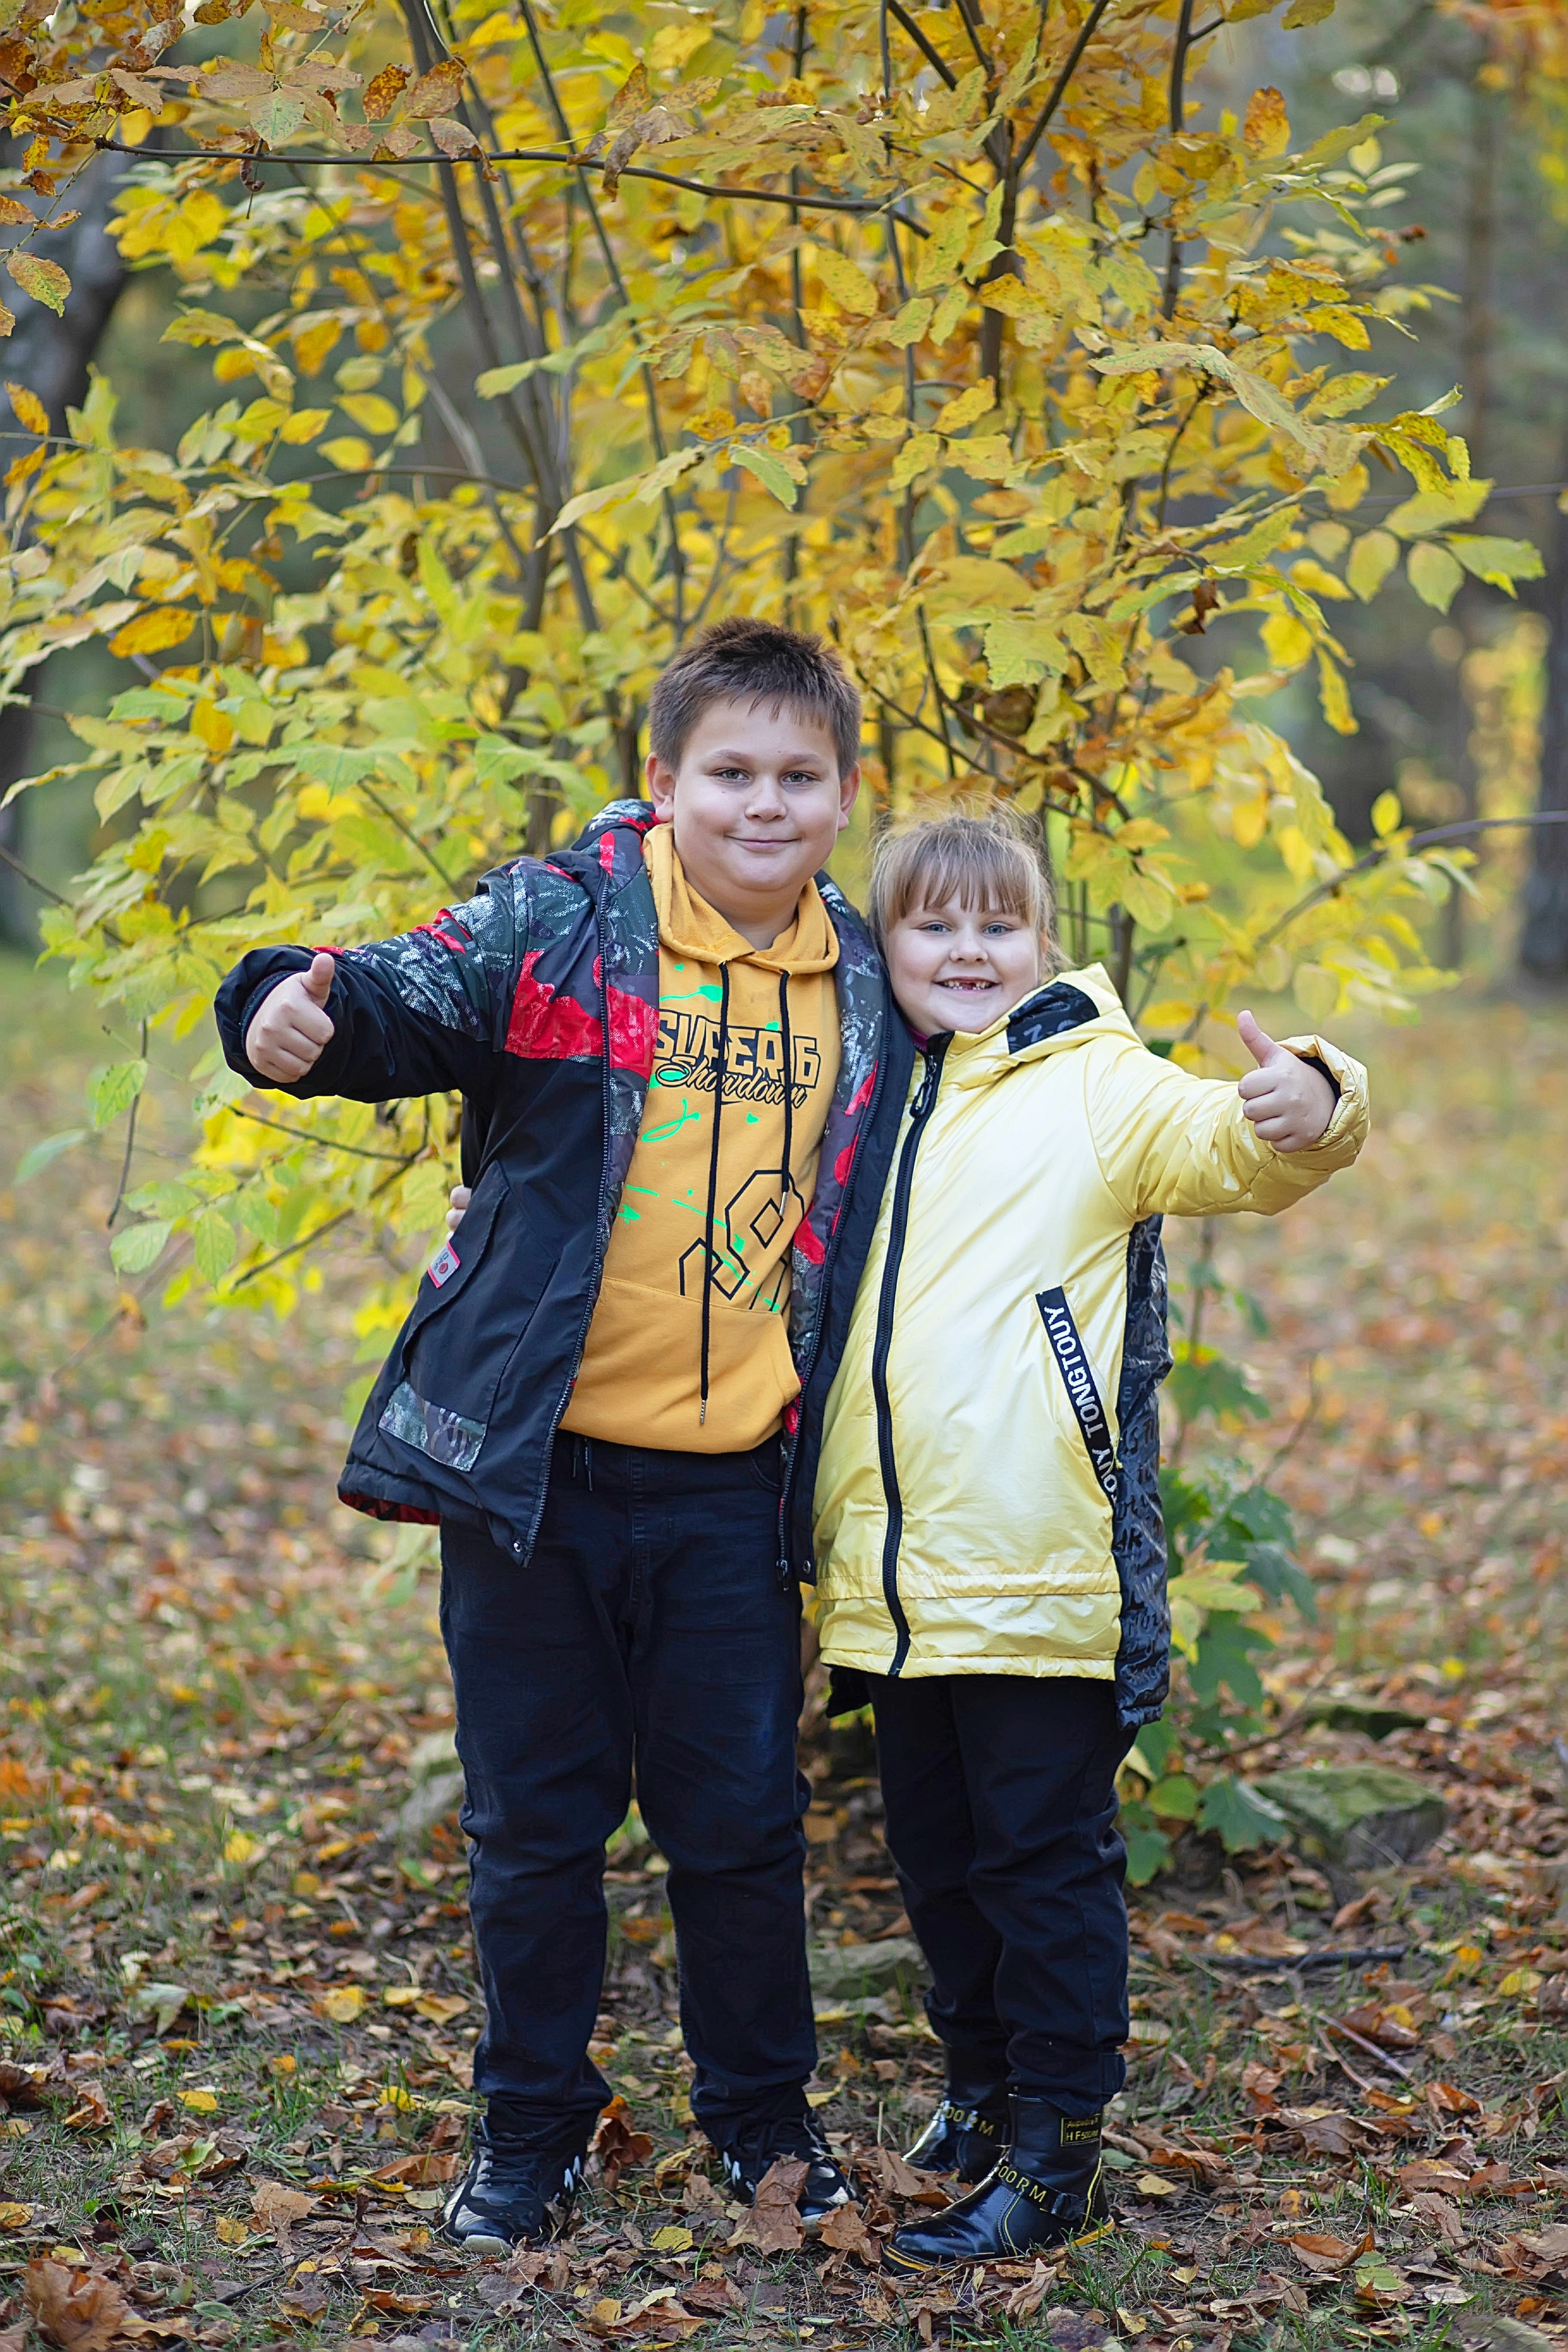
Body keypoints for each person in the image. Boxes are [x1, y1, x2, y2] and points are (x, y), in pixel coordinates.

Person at [213, 620, 917, 2253]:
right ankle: (530, 2130)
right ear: (660, 784)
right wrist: (281, 1012)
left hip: (740, 1488)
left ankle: (761, 2124)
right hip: (535, 1481)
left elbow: (1037, 1071)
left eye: (797, 776)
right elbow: (393, 995)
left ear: (844, 793)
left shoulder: (875, 987)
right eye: (728, 773)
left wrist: (1298, 1101)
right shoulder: (562, 926)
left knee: (738, 1823)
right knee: (533, 1828)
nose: (763, 803)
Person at [795, 812, 1370, 2272]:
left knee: (1042, 1863)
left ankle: (1057, 2147)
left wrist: (1308, 1097)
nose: (969, 951)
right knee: (931, 1857)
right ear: (887, 945)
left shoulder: (1093, 1082)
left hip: (1039, 1564)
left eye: (1000, 924)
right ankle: (980, 2090)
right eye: (934, 926)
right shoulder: (862, 1092)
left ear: (1041, 942)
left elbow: (1224, 1142)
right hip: (893, 1581)